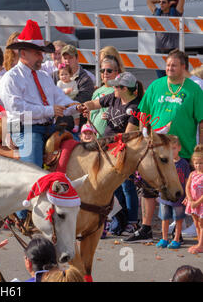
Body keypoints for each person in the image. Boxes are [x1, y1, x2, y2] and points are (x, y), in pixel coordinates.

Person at [0, 20, 79, 221]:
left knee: (76, 147)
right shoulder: (10, 78)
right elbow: (18, 109)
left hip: (46, 125)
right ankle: (23, 214)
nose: (41, 57)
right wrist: (49, 110)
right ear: (23, 53)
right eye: (37, 52)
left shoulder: (43, 77)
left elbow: (60, 98)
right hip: (24, 127)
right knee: (33, 169)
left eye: (41, 52)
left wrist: (78, 106)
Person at [124, 50, 203, 243]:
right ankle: (146, 227)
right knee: (149, 188)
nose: (169, 68)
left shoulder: (194, 90)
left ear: (183, 67)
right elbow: (143, 114)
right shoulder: (156, 86)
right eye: (167, 65)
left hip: (182, 150)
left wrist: (200, 148)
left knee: (181, 193)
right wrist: (142, 137)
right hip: (154, 150)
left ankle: (179, 232)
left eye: (173, 65)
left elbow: (201, 122)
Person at [83, 72, 143, 234]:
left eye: (117, 86)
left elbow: (127, 135)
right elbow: (94, 103)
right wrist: (83, 106)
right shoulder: (113, 98)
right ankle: (118, 219)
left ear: (125, 89)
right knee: (112, 188)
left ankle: (132, 222)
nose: (113, 88)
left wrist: (108, 144)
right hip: (108, 151)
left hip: (123, 152)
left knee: (127, 187)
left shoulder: (135, 107)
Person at [156, 135, 190, 249]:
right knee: (164, 218)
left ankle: (176, 239)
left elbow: (187, 181)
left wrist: (187, 196)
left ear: (179, 148)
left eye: (174, 148)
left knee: (178, 218)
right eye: (169, 149)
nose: (172, 151)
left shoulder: (184, 164)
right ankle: (164, 238)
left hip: (178, 197)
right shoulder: (164, 162)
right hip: (165, 196)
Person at [53, 44, 95, 133]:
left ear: (77, 59)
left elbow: (82, 102)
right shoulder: (54, 76)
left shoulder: (85, 80)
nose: (67, 61)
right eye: (65, 58)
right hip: (55, 122)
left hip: (75, 126)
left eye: (70, 58)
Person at [147, 0, 185, 78]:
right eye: (160, 2)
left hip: (172, 51)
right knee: (161, 79)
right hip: (159, 50)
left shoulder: (176, 13)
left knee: (173, 77)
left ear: (169, 3)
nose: (161, 4)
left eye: (163, 2)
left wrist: (173, 0)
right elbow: (148, 0)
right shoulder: (157, 12)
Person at [90, 55, 121, 138]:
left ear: (116, 72)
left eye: (109, 71)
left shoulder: (118, 90)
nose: (105, 73)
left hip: (109, 136)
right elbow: (91, 114)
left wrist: (111, 115)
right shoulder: (97, 91)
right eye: (102, 70)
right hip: (94, 136)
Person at [183, 144, 203, 254]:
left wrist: (197, 202)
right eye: (196, 163)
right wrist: (190, 199)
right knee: (196, 223)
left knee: (201, 223)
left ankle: (201, 245)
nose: (198, 165)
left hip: (201, 204)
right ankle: (200, 242)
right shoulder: (192, 174)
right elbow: (187, 187)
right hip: (193, 203)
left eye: (201, 163)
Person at [56, 63, 80, 133]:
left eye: (66, 74)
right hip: (62, 101)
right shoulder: (59, 83)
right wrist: (65, 91)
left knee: (76, 110)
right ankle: (54, 123)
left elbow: (76, 91)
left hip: (71, 101)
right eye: (62, 75)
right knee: (57, 110)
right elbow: (58, 92)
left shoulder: (73, 82)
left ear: (70, 74)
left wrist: (70, 93)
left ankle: (76, 125)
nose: (64, 76)